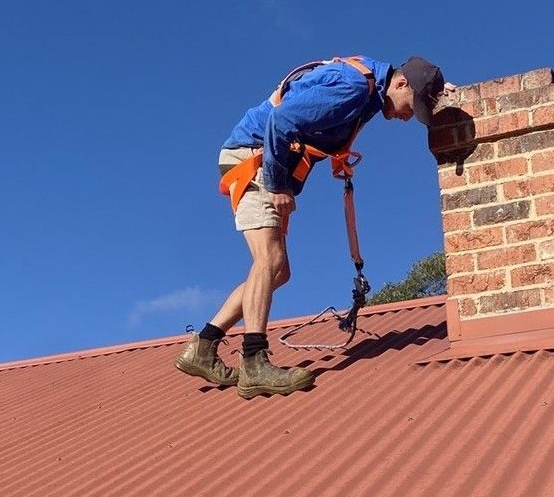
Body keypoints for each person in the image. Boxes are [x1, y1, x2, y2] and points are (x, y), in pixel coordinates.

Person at [175, 54, 445, 399]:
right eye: (414, 105)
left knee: (278, 272)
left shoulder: (370, 91)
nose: (410, 117)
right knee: (268, 260)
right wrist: (276, 185)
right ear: (401, 83)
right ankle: (254, 362)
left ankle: (204, 346)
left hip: (259, 159)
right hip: (254, 159)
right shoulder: (352, 87)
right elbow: (281, 121)